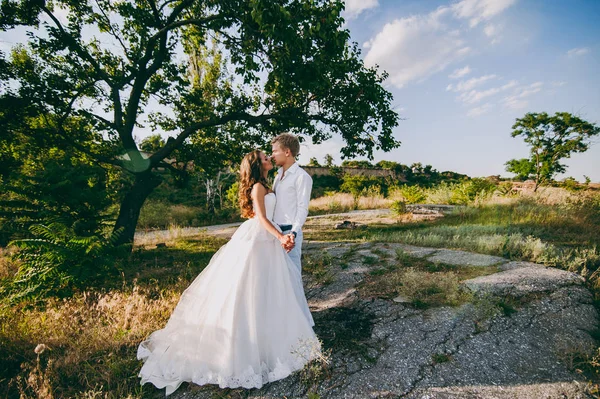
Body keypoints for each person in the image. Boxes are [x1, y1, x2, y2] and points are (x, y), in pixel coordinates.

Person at [137, 150, 321, 396]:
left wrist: (285, 234)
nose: (269, 158)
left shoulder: (270, 181)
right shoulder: (257, 187)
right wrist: (279, 236)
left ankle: (269, 337)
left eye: (269, 155)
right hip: (259, 238)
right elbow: (262, 218)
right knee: (248, 287)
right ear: (258, 165)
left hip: (268, 240)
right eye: (265, 157)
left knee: (269, 288)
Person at [270, 134, 314, 324]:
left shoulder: (302, 177)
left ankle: (300, 325)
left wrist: (293, 233)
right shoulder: (277, 177)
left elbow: (302, 209)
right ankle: (281, 322)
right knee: (276, 280)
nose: (272, 155)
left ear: (287, 152)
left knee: (293, 279)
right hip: (274, 233)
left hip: (289, 234)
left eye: (275, 151)